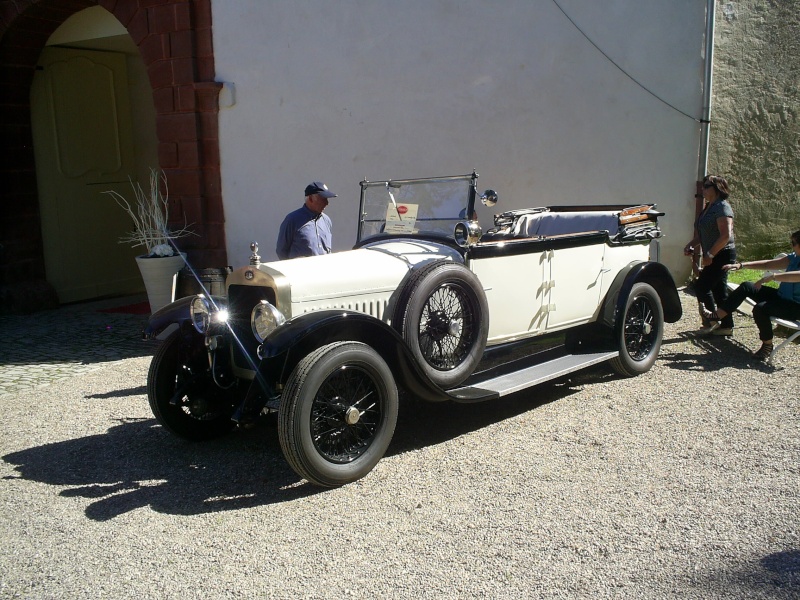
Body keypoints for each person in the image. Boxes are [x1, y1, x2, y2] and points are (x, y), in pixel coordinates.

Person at [703, 230, 800, 360]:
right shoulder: (794, 257)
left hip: (795, 307)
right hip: (781, 297)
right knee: (747, 286)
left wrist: (774, 276)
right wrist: (741, 265)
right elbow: (768, 264)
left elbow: (797, 276)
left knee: (760, 308)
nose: (791, 246)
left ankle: (767, 344)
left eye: (793, 243)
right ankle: (718, 315)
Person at [683, 175, 736, 335]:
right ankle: (726, 326)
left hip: (722, 254)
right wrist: (692, 244)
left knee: (702, 286)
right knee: (719, 290)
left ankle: (711, 320)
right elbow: (706, 233)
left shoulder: (722, 207)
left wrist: (710, 255)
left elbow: (725, 235)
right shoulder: (709, 207)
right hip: (714, 253)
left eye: (706, 186)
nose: (702, 189)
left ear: (717, 188)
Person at [276, 181, 337, 260]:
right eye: (323, 199)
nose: (326, 203)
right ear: (311, 199)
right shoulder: (292, 220)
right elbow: (282, 251)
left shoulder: (327, 221)